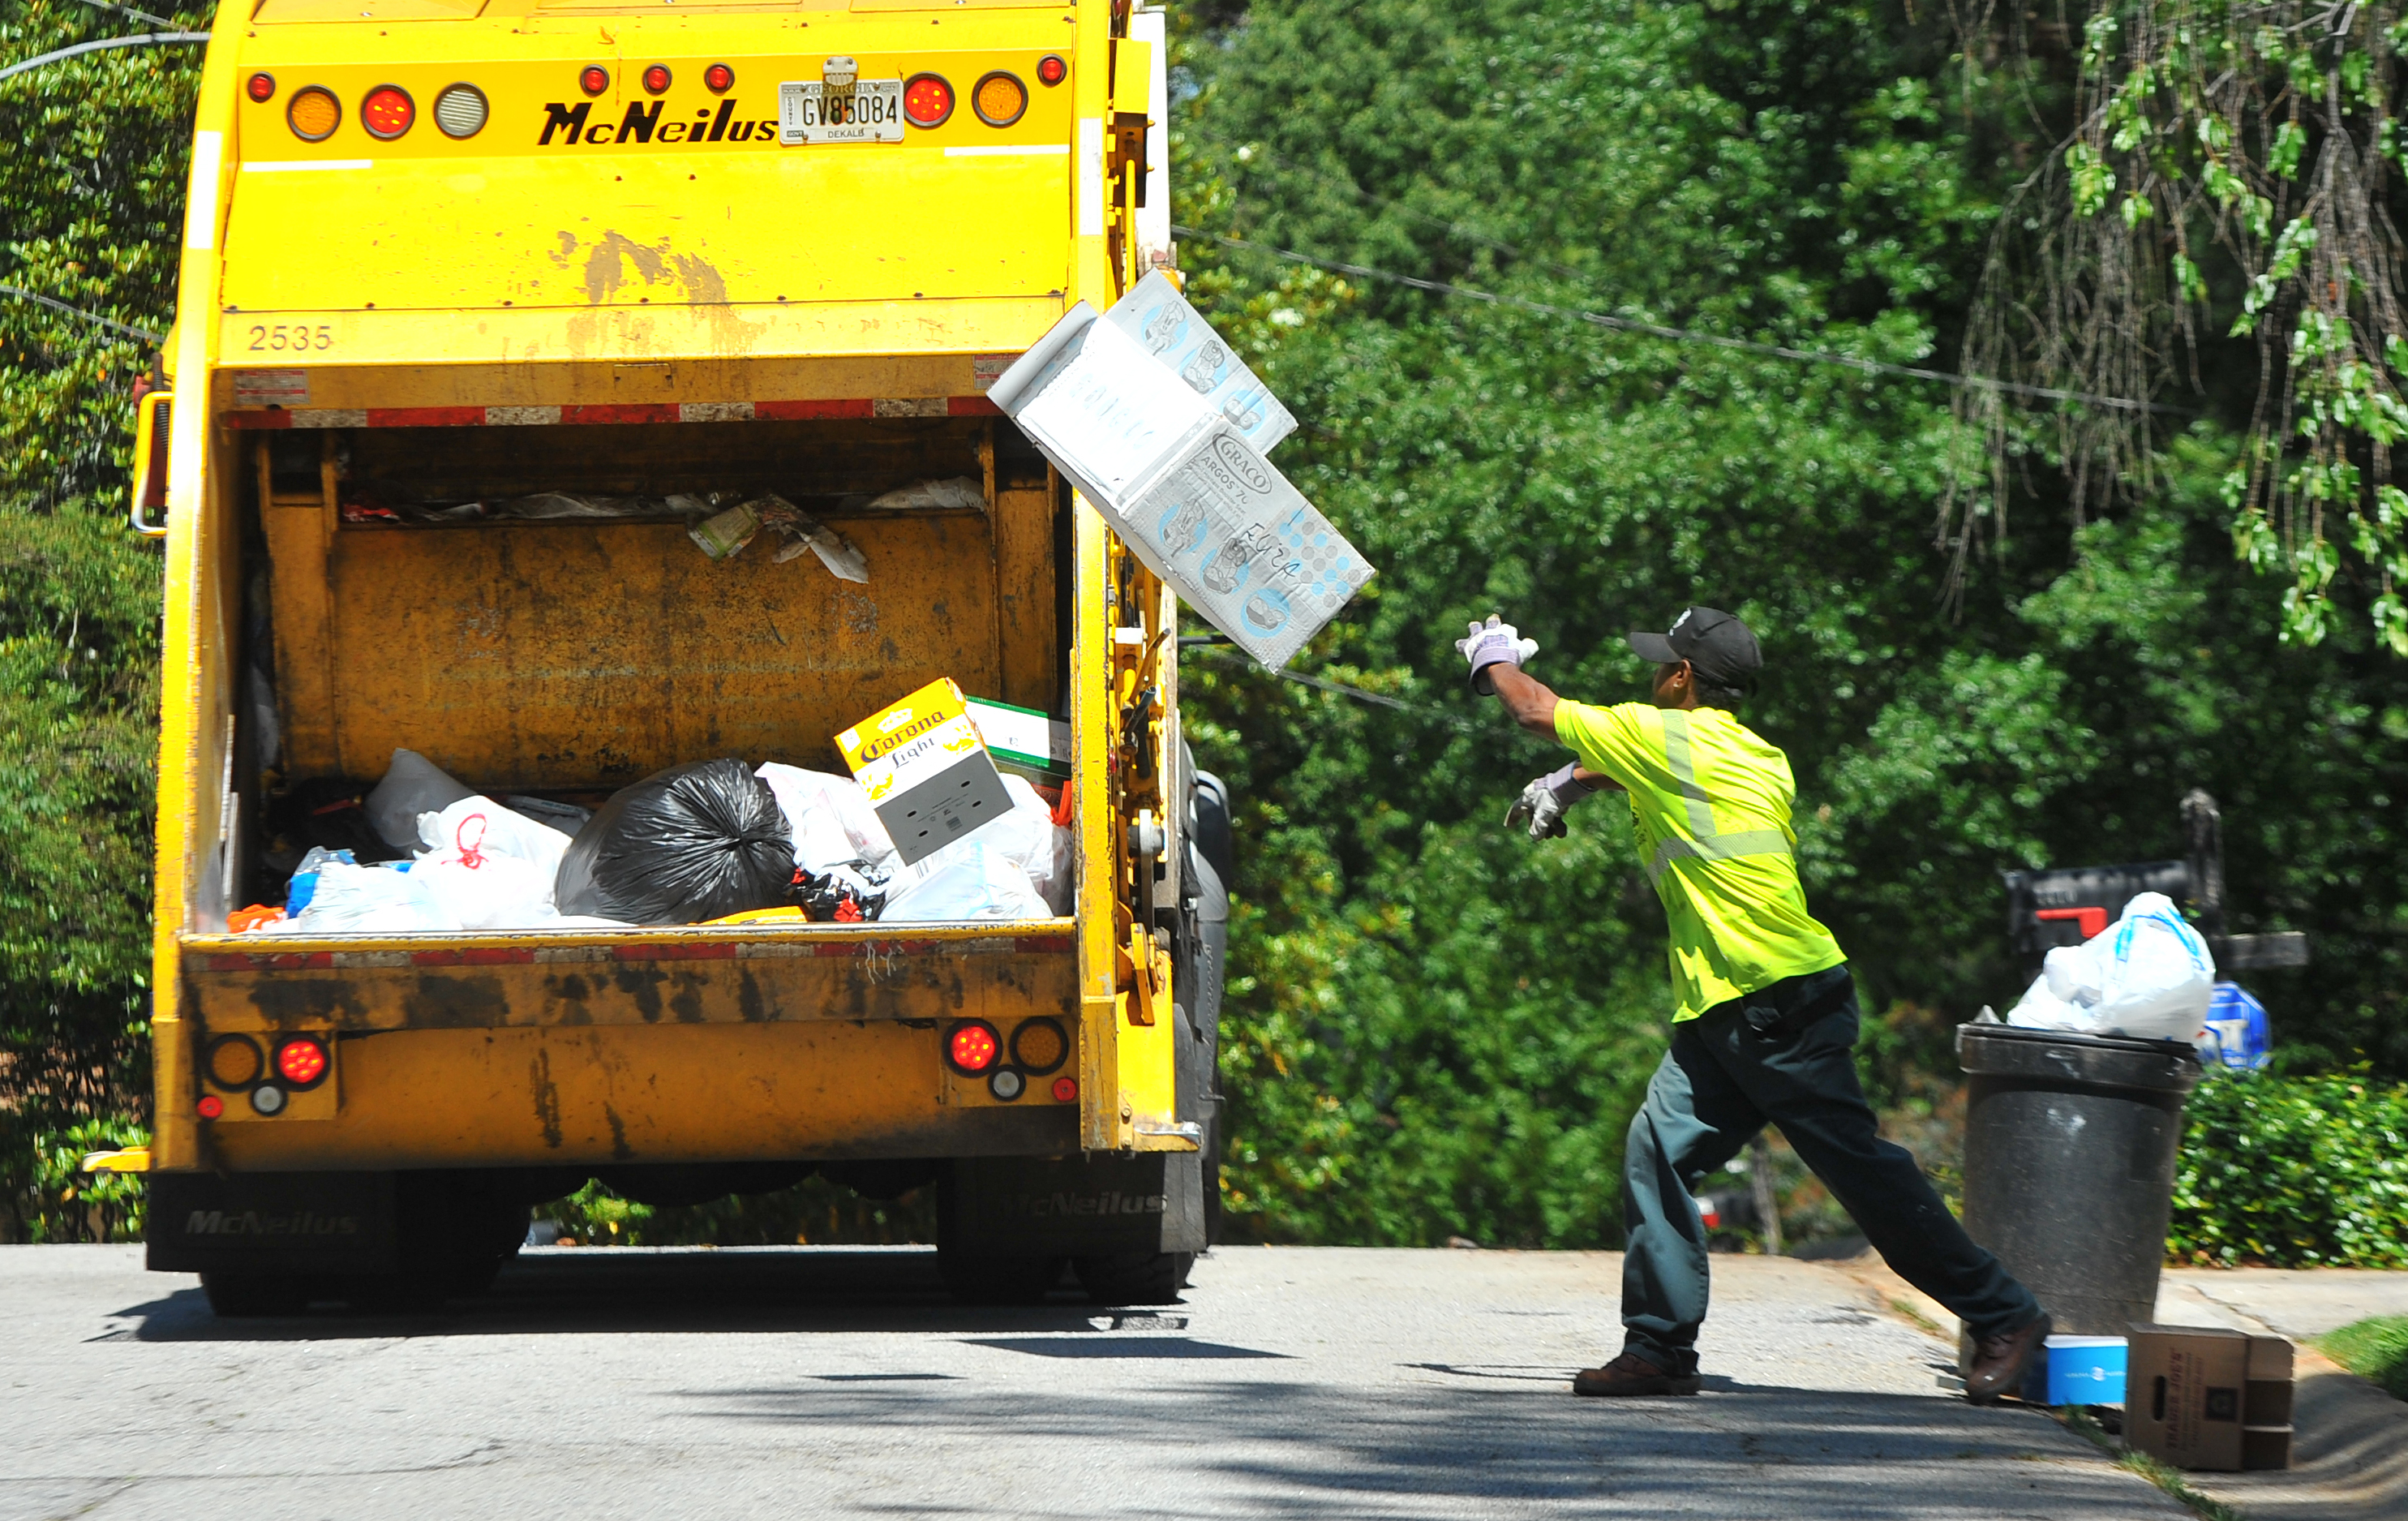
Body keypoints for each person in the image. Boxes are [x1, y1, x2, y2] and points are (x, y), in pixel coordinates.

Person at [1455, 607, 2050, 1401]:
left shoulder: (1661, 735)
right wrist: (1572, 780)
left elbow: (1532, 707)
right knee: (1655, 1152)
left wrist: (1492, 658)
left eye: (1659, 664)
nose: (1649, 674)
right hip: (1729, 1008)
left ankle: (2005, 1314)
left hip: (1776, 1004)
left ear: (1681, 678)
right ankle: (1659, 1349)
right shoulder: (1754, 756)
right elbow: (1638, 765)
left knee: (1866, 1179)